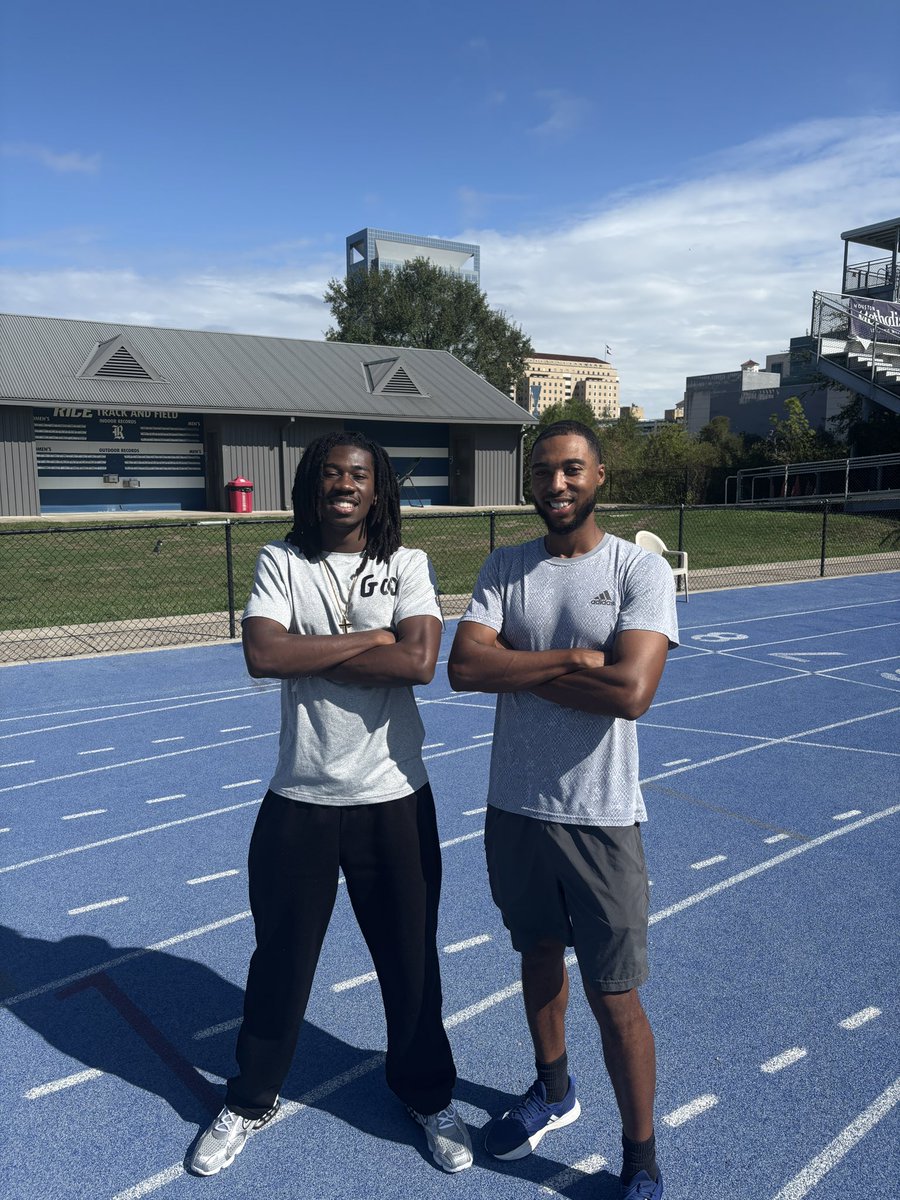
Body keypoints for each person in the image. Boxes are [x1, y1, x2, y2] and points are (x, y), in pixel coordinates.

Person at [189, 432, 472, 1177]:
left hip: (394, 797)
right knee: (279, 961)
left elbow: (418, 662)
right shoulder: (282, 561)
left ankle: (426, 1095)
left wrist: (326, 647)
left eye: (361, 474)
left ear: (378, 490)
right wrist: (367, 640)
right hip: (300, 797)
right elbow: (264, 655)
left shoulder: (406, 564)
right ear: (313, 484)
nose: (345, 484)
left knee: (410, 961)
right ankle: (250, 1098)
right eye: (333, 473)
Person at [448, 420, 678, 1200]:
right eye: (542, 472)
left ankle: (640, 1158)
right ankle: (552, 1090)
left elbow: (632, 694)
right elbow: (463, 666)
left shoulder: (639, 569)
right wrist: (579, 659)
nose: (556, 484)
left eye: (571, 469)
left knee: (617, 995)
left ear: (600, 476)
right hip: (515, 810)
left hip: (602, 818)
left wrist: (517, 670)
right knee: (537, 958)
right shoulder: (506, 566)